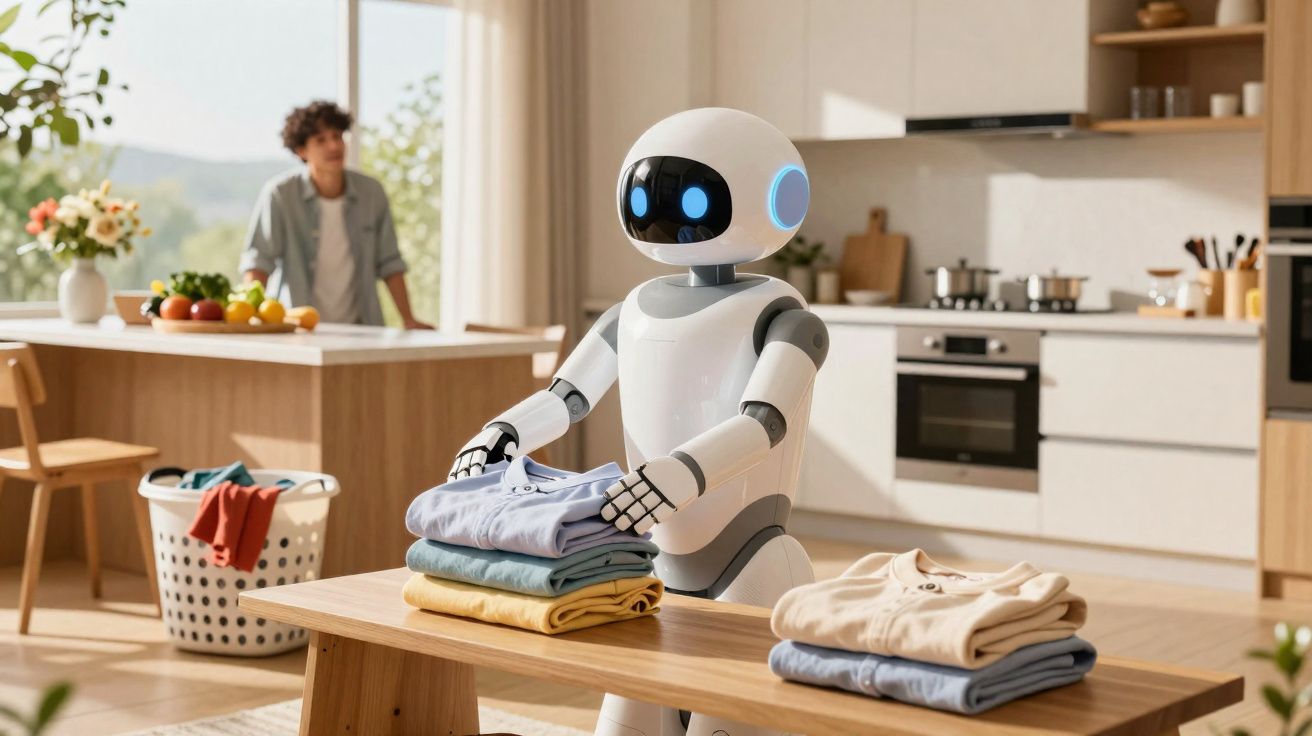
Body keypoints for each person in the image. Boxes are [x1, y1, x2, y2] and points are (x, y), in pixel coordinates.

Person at [239, 100, 432, 329]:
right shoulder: (280, 194)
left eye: (337, 136)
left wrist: (408, 319)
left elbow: (390, 262)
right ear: (302, 150)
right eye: (321, 140)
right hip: (297, 327)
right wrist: (249, 316)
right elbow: (259, 260)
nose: (333, 146)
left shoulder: (371, 193)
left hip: (362, 328)